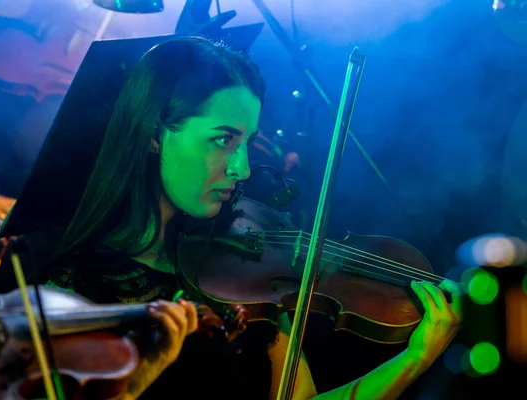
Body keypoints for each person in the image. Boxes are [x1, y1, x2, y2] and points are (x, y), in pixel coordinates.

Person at [44, 36, 463, 400]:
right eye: (223, 139)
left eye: (247, 142)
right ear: (154, 132)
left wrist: (416, 357)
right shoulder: (74, 291)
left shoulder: (243, 272)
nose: (242, 169)